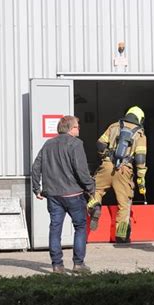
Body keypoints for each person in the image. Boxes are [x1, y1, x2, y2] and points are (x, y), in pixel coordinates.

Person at [32, 116, 94, 273]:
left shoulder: (48, 144)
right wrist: (90, 188)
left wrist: (36, 188)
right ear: (71, 128)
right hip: (73, 194)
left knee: (55, 228)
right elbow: (81, 170)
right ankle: (78, 264)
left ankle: (57, 265)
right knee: (80, 227)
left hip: (53, 195)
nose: (79, 128)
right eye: (78, 126)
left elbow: (36, 166)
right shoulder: (76, 144)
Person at [87, 106, 147, 243]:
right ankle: (121, 236)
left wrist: (106, 156)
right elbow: (140, 158)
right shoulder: (140, 134)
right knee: (124, 205)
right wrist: (141, 178)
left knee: (95, 190)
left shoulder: (113, 126)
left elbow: (100, 144)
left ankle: (94, 206)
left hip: (107, 166)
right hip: (124, 170)